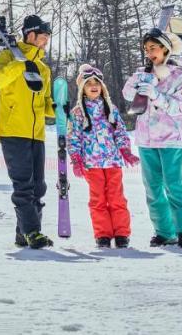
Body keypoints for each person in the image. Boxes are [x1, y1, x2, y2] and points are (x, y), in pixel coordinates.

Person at [122, 27, 182, 248]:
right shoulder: (142, 72)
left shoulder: (181, 77)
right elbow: (127, 94)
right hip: (146, 140)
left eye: (153, 48)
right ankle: (164, 232)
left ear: (165, 49)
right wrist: (142, 81)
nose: (149, 52)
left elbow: (179, 108)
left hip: (170, 139)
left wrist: (156, 94)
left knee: (173, 186)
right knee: (153, 188)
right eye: (146, 49)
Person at [0, 14, 57, 249]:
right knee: (23, 186)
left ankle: (24, 234)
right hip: (13, 130)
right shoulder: (7, 56)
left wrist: (60, 110)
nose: (46, 42)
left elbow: (47, 104)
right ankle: (33, 231)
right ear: (31, 35)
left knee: (38, 186)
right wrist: (19, 62)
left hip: (36, 133)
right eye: (43, 37)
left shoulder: (43, 68)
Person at [68, 63, 139, 248]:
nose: (94, 86)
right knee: (98, 200)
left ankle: (122, 234)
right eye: (89, 82)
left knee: (117, 198)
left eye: (97, 82)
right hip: (92, 164)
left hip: (113, 162)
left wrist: (125, 150)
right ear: (82, 88)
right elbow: (73, 137)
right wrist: (76, 159)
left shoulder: (110, 108)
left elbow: (120, 132)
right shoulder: (77, 113)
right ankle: (103, 235)